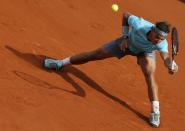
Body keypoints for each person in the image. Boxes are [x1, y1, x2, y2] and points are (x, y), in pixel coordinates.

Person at [43, 12, 178, 127]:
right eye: (157, 37)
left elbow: (165, 57)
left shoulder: (162, 43)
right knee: (94, 54)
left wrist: (171, 65)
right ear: (153, 30)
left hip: (144, 53)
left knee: (149, 73)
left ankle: (155, 112)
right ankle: (60, 63)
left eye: (161, 39)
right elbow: (125, 15)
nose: (158, 41)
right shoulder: (140, 24)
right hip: (127, 44)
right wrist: (125, 37)